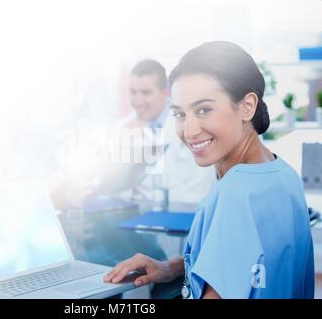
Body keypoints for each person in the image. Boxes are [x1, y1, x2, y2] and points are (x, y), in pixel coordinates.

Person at [104, 41, 315, 299]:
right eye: (180, 114)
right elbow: (243, 260)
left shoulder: (234, 195)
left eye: (204, 110)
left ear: (247, 106)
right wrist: (170, 268)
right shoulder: (282, 174)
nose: (189, 131)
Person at [101, 59, 215, 205]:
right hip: (134, 216)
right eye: (133, 92)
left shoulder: (190, 128)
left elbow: (197, 188)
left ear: (165, 92)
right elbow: (114, 186)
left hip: (181, 215)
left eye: (146, 93)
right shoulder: (122, 128)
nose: (138, 101)